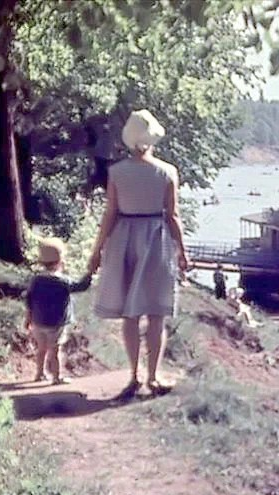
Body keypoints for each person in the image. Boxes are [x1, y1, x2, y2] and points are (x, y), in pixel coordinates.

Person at [87, 109, 188, 398]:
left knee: (130, 315)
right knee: (156, 313)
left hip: (124, 237)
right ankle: (153, 377)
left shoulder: (117, 172)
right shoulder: (167, 172)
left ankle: (133, 375)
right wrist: (182, 250)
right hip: (156, 238)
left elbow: (109, 214)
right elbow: (173, 215)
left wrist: (97, 250)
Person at [25, 238, 92, 385]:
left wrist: (28, 318)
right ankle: (56, 377)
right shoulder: (63, 281)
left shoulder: (36, 280)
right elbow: (81, 286)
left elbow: (29, 299)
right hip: (56, 323)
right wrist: (90, 272)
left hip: (38, 322)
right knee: (55, 350)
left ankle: (39, 374)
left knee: (41, 349)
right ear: (60, 261)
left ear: (41, 262)